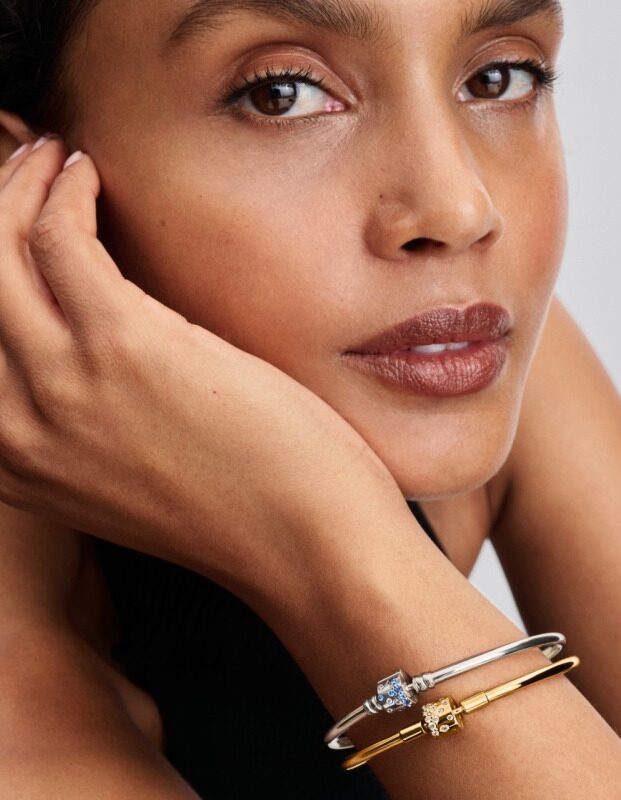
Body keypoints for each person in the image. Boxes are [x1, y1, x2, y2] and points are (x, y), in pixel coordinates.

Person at [0, 0, 619, 797]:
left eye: (497, 78)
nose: (459, 211)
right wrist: (331, 546)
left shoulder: (437, 340)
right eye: (280, 94)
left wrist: (329, 529)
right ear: (22, 183)